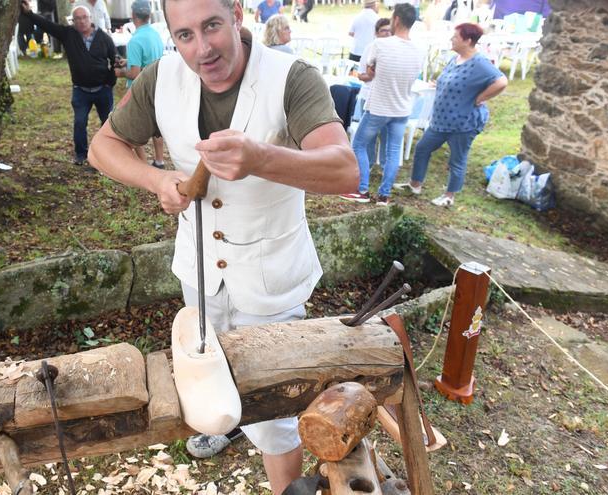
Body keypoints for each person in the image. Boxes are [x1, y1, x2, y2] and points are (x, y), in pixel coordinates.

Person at [87, 0, 357, 491]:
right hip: (201, 271)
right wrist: (155, 179)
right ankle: (228, 421)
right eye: (185, 34)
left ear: (236, 14)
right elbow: (102, 147)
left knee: (275, 415)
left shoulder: (292, 77)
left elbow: (343, 169)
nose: (202, 48)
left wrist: (261, 157)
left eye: (212, 26)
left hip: (270, 278)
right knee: (212, 366)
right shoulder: (160, 77)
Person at [394, 22, 508, 206]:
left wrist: (480, 97)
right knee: (422, 148)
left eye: (455, 37)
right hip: (441, 120)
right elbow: (450, 80)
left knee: (457, 159)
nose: (451, 39)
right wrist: (438, 85)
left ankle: (449, 196)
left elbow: (501, 82)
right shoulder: (455, 59)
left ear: (468, 40)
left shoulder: (479, 63)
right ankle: (415, 184)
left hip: (462, 123)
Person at [341, 3, 424, 206]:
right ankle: (384, 195)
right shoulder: (419, 51)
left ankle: (362, 189)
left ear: (396, 19)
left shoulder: (381, 45)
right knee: (393, 152)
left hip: (379, 106)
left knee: (359, 144)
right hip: (402, 107)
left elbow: (369, 73)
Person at [22, 1, 118, 167]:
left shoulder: (104, 38)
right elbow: (47, 25)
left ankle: (110, 155)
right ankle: (81, 154)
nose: (81, 21)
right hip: (80, 90)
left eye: (84, 18)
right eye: (77, 19)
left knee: (107, 124)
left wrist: (110, 82)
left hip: (103, 89)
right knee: (79, 123)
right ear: (73, 21)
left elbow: (114, 60)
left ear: (90, 18)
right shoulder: (68, 34)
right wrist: (29, 13)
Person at [115, 0, 167, 169]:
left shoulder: (135, 41)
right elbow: (150, 60)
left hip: (139, 92)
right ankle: (159, 161)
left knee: (133, 127)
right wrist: (129, 61)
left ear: (133, 16)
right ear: (149, 15)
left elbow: (135, 73)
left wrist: (121, 73)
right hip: (157, 87)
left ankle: (143, 165)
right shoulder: (155, 34)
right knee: (156, 127)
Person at [350, 18, 391, 170]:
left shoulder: (395, 51)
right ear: (376, 33)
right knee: (369, 137)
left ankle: (385, 166)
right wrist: (372, 75)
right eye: (383, 31)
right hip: (368, 96)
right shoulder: (370, 48)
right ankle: (369, 165)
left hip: (387, 99)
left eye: (389, 30)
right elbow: (361, 75)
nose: (387, 34)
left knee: (386, 135)